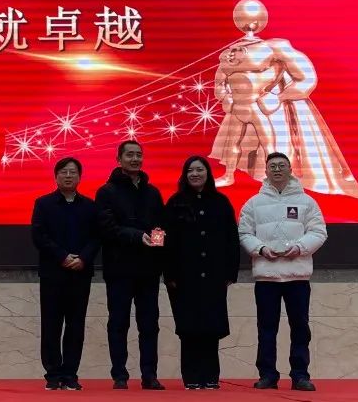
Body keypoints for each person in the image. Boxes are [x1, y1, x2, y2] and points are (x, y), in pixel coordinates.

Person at [211, 0, 358, 202]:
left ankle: (273, 180)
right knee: (233, 143)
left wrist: (279, 97)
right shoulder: (228, 54)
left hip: (260, 106)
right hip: (238, 107)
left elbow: (306, 76)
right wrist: (225, 97)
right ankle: (229, 175)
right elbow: (219, 82)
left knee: (270, 145)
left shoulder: (275, 47)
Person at [238, 152, 328, 392]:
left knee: (300, 328)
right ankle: (267, 375)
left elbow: (318, 232)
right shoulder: (253, 203)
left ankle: (300, 375)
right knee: (266, 328)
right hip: (266, 277)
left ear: (290, 169)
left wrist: (299, 248)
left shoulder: (307, 201)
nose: (277, 169)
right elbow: (245, 233)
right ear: (266, 171)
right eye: (272, 166)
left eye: (282, 165)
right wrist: (260, 249)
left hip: (297, 276)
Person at [163, 156, 240, 390]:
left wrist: (230, 272)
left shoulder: (221, 202)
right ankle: (191, 376)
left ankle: (211, 376)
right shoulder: (175, 202)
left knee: (211, 326)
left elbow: (232, 239)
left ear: (208, 173)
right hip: (183, 278)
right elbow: (165, 241)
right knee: (189, 328)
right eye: (190, 170)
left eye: (200, 170)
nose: (195, 174)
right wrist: (168, 274)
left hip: (214, 276)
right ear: (184, 175)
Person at [95, 140, 165, 390]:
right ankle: (120, 375)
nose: (135, 159)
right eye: (129, 155)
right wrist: (137, 236)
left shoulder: (153, 192)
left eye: (138, 155)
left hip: (148, 269)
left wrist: (156, 241)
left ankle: (149, 375)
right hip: (119, 269)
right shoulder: (106, 192)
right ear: (119, 159)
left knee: (150, 324)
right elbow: (106, 228)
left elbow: (160, 225)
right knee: (118, 323)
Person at [31, 157, 100, 391]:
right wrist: (62, 256)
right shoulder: (43, 204)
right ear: (56, 176)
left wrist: (83, 258)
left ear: (80, 177)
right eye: (63, 172)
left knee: (75, 325)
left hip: (80, 273)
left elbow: (96, 237)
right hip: (53, 273)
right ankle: (53, 375)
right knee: (51, 325)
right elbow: (39, 236)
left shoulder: (90, 206)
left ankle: (70, 374)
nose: (68, 176)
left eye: (73, 172)